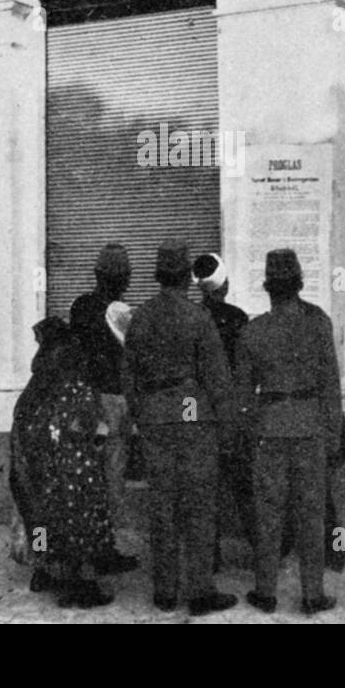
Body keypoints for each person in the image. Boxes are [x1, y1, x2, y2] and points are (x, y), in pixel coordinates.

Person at [124, 240, 237, 615]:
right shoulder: (197, 317)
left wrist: (142, 415)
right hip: (190, 412)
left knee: (162, 504)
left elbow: (129, 377)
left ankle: (165, 591)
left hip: (155, 416)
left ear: (159, 276)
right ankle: (201, 590)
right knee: (199, 504)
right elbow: (217, 378)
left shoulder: (140, 317)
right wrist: (226, 427)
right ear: (187, 278)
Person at [236, 249, 342, 615]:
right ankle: (313, 594)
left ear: (268, 288)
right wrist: (332, 433)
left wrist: (251, 436)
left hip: (269, 429)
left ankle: (265, 592)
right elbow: (331, 385)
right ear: (299, 284)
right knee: (311, 514)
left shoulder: (253, 331)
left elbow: (243, 396)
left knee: (268, 514)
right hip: (311, 427)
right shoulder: (319, 323)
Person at [10, 315, 116, 609]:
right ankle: (81, 585)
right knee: (78, 519)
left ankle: (43, 570)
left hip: (36, 464)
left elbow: (23, 420)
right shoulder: (73, 380)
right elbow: (88, 423)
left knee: (38, 515)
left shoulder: (38, 379)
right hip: (72, 465)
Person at [69, 243, 140, 574]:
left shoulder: (79, 306)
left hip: (82, 401)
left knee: (82, 476)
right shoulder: (123, 314)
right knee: (111, 479)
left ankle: (79, 549)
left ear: (96, 274)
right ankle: (102, 550)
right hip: (114, 402)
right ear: (124, 279)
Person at [192, 252, 256, 565]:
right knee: (244, 485)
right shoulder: (238, 318)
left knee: (205, 489)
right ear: (225, 284)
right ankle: (261, 552)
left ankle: (209, 556)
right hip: (231, 412)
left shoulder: (193, 318)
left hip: (200, 413)